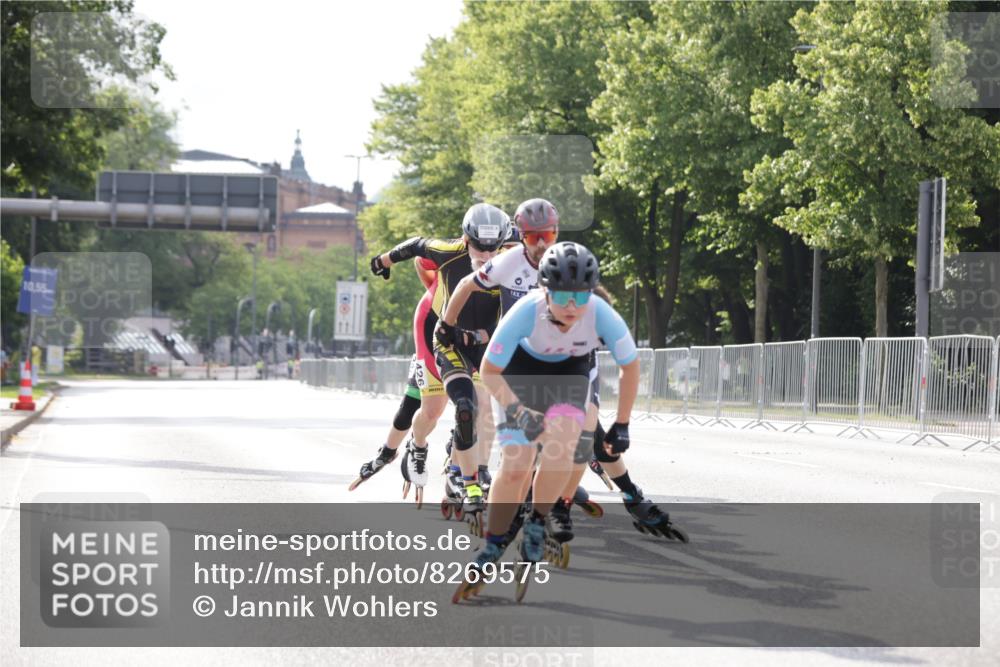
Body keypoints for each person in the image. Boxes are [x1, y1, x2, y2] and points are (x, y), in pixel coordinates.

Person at [454, 242, 640, 602]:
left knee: (565, 448)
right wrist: (519, 411)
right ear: (544, 290)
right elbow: (490, 371)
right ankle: (492, 546)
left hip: (570, 375)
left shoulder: (599, 313)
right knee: (515, 466)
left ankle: (537, 522)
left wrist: (622, 423)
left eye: (580, 296)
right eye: (563, 296)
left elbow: (630, 366)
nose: (573, 306)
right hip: (519, 375)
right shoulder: (525, 311)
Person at [370, 204, 512, 512]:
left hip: (482, 343)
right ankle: (417, 445)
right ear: (465, 238)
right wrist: (382, 261)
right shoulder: (447, 251)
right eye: (478, 248)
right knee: (433, 410)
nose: (486, 257)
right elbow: (416, 245)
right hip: (440, 330)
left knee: (480, 409)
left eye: (493, 249)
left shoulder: (509, 261)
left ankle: (466, 474)